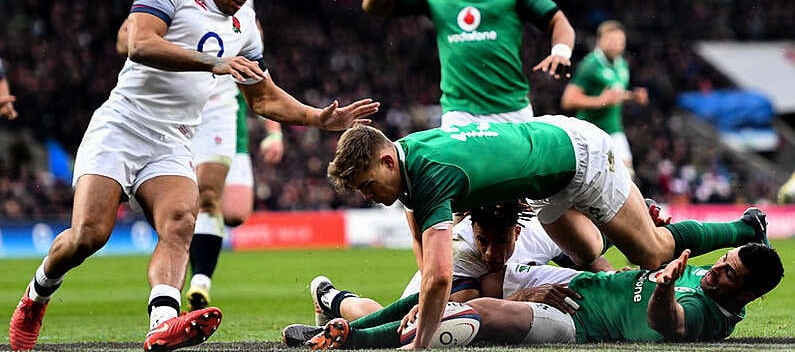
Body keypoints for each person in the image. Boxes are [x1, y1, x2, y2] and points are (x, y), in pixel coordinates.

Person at [8, 0, 379, 352]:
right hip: (121, 126)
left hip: (171, 139)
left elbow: (263, 97)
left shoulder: (244, 29)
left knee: (183, 220)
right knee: (88, 237)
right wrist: (212, 63)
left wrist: (316, 117)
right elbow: (141, 44)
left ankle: (162, 322)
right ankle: (36, 296)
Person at [325, 118, 769, 349]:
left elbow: (439, 279)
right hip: (551, 156)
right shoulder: (408, 156)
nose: (367, 195)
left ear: (385, 162)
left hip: (576, 156)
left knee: (653, 253)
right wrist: (427, 293)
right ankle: (345, 318)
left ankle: (745, 226)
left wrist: (421, 341)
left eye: (366, 186)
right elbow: (429, 260)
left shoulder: (428, 174)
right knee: (592, 248)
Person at [114, 0, 286, 313]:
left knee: (228, 208)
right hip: (161, 112)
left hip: (219, 107)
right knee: (177, 210)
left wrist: (276, 129)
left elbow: (259, 70)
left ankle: (198, 281)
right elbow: (130, 42)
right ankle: (180, 265)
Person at [288, 242, 783, 348]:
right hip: (569, 284)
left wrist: (666, 288)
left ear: (750, 293)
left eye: (730, 272)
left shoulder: (706, 314)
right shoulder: (709, 273)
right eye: (723, 259)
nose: (717, 269)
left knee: (471, 310)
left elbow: (665, 322)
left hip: (577, 321)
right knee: (443, 290)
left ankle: (345, 335)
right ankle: (336, 307)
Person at [361, 0, 575, 129]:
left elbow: (558, 21)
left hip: (512, 109)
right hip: (459, 114)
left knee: (518, 168)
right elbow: (373, 6)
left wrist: (561, 52)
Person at [308, 200, 617, 326]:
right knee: (388, 324)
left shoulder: (539, 234)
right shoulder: (460, 249)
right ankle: (329, 296)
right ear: (473, 232)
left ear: (518, 232)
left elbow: (587, 259)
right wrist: (525, 297)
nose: (491, 254)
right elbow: (467, 312)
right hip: (439, 292)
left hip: (489, 294)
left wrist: (614, 277)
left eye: (501, 243)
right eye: (483, 241)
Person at [560, 20, 648, 173]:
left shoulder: (622, 64)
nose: (616, 44)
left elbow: (614, 94)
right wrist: (601, 101)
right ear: (600, 41)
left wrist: (633, 96)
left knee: (627, 174)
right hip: (589, 131)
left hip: (613, 129)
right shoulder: (590, 65)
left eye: (620, 41)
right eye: (612, 40)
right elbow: (568, 100)